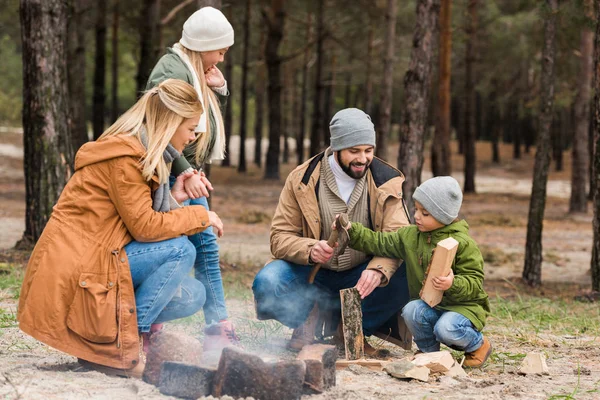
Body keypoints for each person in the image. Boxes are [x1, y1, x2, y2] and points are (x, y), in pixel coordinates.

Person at [17, 79, 224, 379]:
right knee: (181, 251)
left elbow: (134, 217)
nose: (193, 137)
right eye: (190, 128)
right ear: (170, 121)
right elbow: (145, 228)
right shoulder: (127, 157)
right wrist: (200, 216)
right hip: (80, 266)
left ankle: (104, 346)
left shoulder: (141, 150)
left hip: (102, 255)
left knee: (192, 294)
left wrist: (175, 198)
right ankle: (117, 352)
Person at [252, 108, 412, 354]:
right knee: (268, 282)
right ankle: (308, 317)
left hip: (360, 274)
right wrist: (310, 249)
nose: (363, 159)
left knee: (409, 273)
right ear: (336, 148)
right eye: (354, 151)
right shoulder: (301, 179)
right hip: (312, 275)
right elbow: (279, 237)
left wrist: (378, 269)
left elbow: (400, 239)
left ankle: (348, 328)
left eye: (368, 151)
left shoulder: (387, 180)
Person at [145, 6, 236, 350]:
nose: (222, 59)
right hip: (170, 173)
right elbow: (159, 126)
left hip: (184, 171)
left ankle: (215, 326)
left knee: (202, 245)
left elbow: (201, 123)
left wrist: (219, 91)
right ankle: (207, 327)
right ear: (205, 44)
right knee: (189, 247)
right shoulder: (171, 71)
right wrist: (184, 171)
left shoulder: (193, 68)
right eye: (221, 51)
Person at [339, 176, 492, 367]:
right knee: (411, 310)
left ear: (443, 216)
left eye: (425, 213)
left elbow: (475, 282)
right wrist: (352, 231)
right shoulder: (411, 236)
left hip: (462, 308)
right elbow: (380, 242)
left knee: (447, 328)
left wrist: (452, 284)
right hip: (432, 304)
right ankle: (428, 352)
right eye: (416, 209)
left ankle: (478, 345)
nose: (417, 216)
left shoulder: (464, 243)